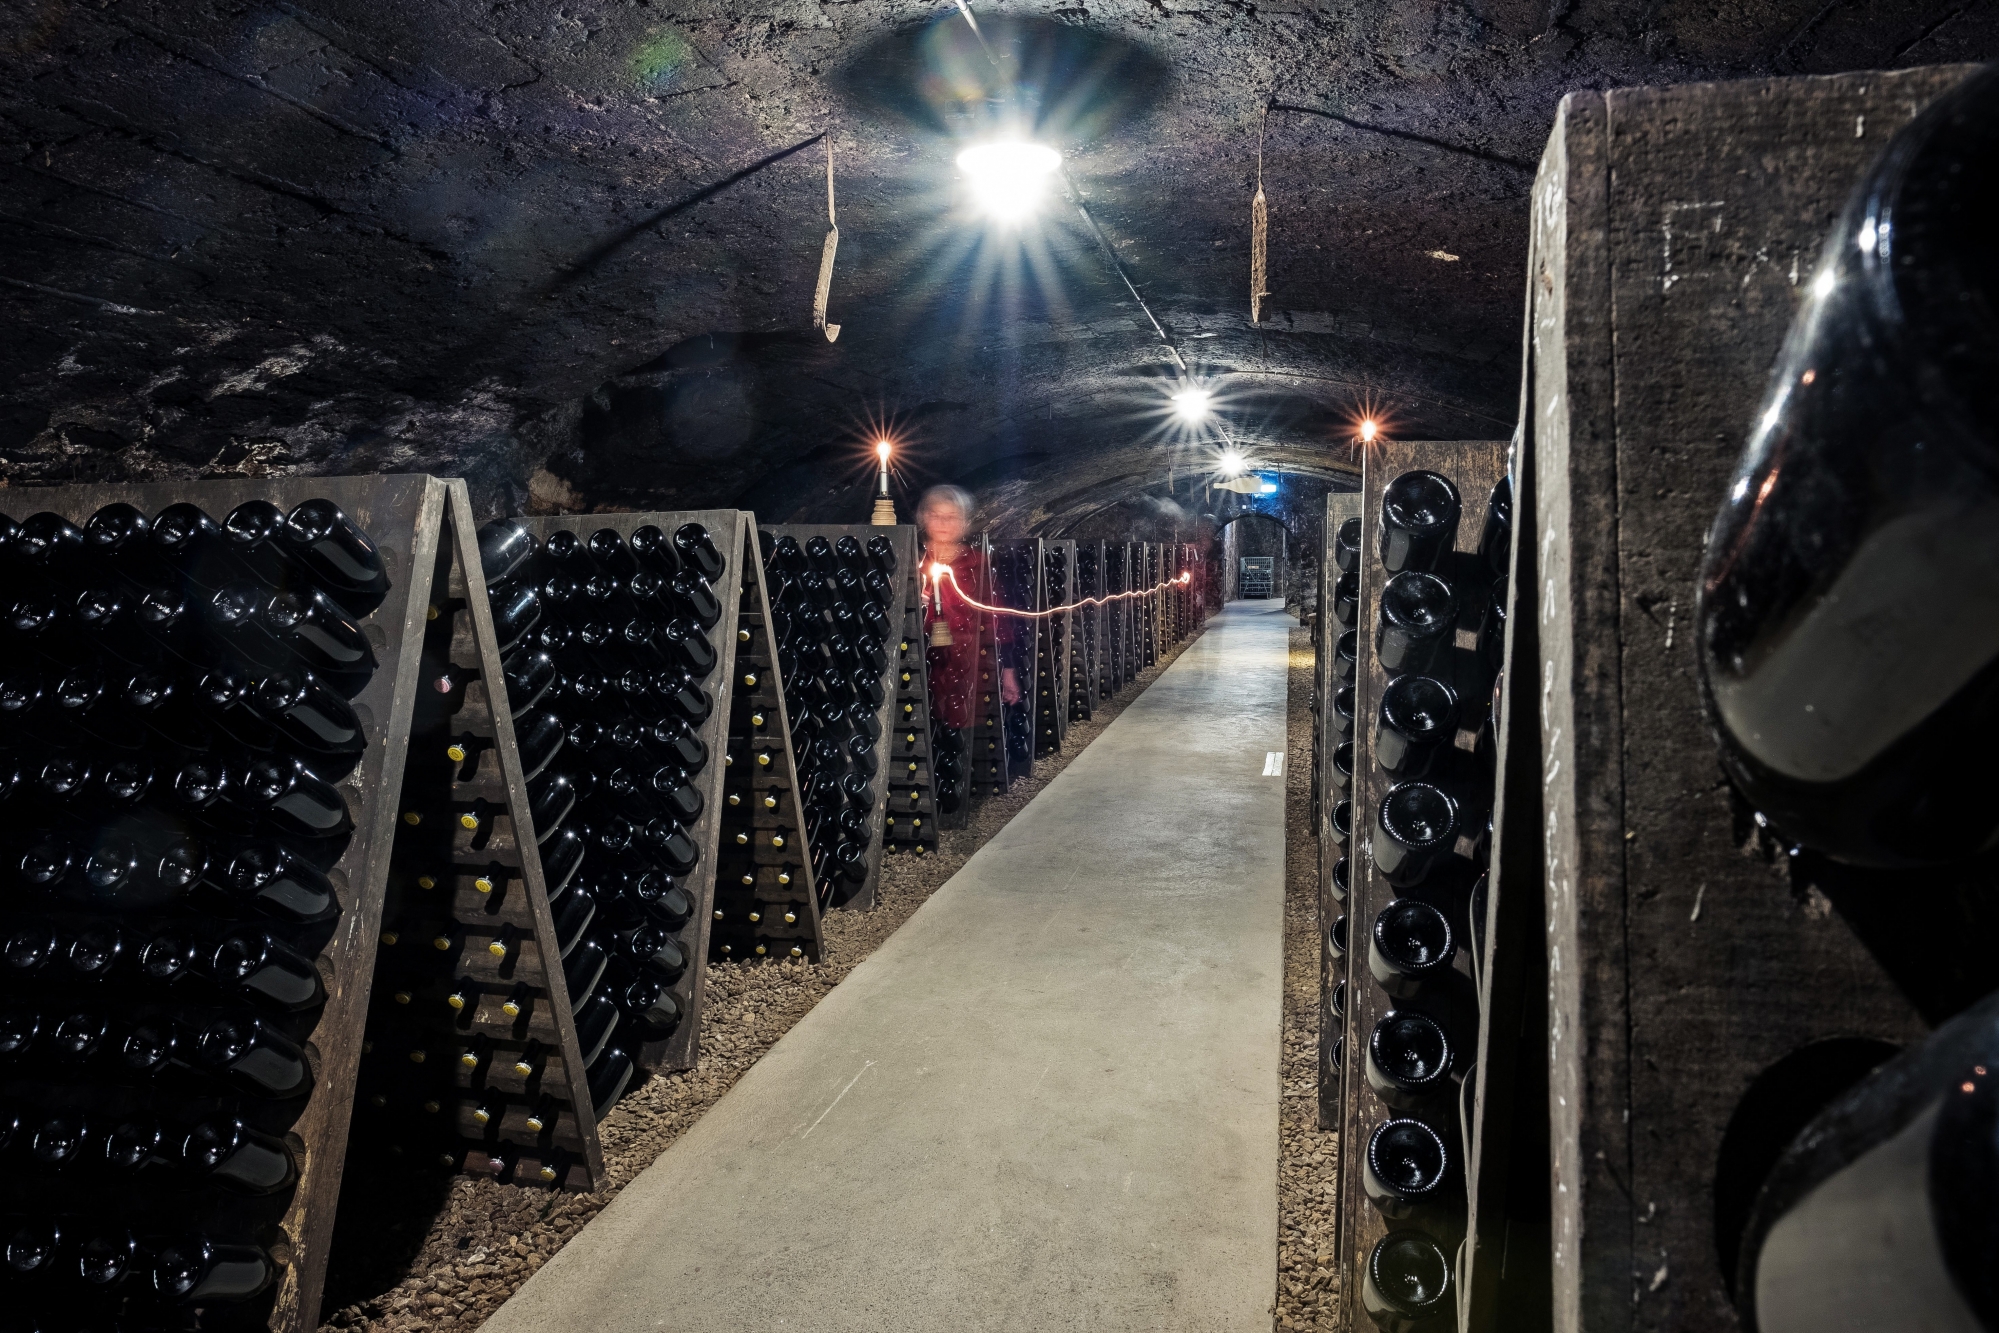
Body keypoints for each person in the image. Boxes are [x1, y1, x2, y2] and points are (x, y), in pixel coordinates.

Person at [918, 486, 1020, 736]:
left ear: (963, 523)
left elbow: (999, 618)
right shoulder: (910, 560)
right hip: (918, 668)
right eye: (935, 515)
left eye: (951, 516)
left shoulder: (977, 563)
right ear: (923, 518)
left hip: (965, 671)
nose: (942, 523)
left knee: (959, 745)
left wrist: (1008, 671)